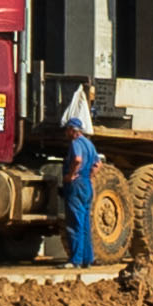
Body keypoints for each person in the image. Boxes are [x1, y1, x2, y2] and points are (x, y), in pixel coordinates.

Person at [62, 87, 102, 267]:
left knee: (75, 223)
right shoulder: (89, 143)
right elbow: (98, 164)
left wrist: (70, 175)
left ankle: (75, 260)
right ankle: (88, 259)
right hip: (86, 184)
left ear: (73, 130)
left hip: (76, 185)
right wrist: (89, 176)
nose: (66, 133)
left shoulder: (76, 143)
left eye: (67, 130)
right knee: (85, 224)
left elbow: (77, 159)